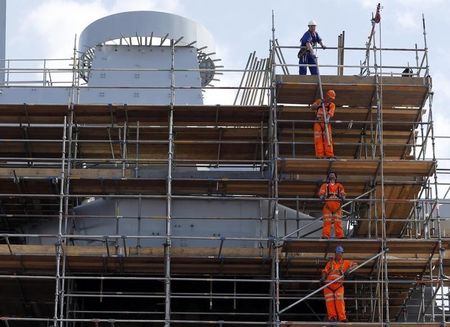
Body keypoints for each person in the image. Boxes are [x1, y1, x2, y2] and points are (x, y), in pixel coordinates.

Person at [320, 245, 357, 322]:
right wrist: (323, 278)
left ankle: (342, 318)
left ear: (342, 254)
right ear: (335, 254)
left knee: (340, 301)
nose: (338, 255)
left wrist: (348, 270)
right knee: (330, 302)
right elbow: (325, 271)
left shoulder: (345, 262)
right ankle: (332, 317)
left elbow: (355, 265)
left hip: (338, 286)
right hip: (328, 286)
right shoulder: (330, 263)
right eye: (337, 253)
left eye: (340, 253)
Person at [319, 170, 346, 239]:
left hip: (337, 206)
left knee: (338, 222)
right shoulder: (324, 186)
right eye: (330, 174)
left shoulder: (339, 186)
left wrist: (343, 197)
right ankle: (325, 235)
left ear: (336, 177)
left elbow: (343, 194)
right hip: (328, 206)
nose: (332, 175)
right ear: (328, 177)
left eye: (333, 174)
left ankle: (340, 235)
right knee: (327, 222)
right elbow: (321, 194)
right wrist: (322, 197)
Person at [311, 90, 336, 159]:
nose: (330, 99)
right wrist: (319, 103)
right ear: (327, 96)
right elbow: (312, 107)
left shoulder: (332, 105)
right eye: (330, 98)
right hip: (318, 122)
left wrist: (327, 119)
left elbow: (330, 114)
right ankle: (319, 155)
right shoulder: (319, 101)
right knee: (318, 139)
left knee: (328, 139)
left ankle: (329, 155)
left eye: (331, 98)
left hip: (326, 122)